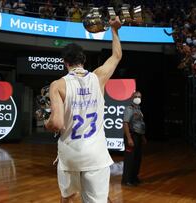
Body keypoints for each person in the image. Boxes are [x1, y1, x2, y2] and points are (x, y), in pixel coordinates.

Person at [44, 16, 122, 203]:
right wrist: (114, 30)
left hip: (70, 154)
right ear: (84, 59)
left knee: (69, 198)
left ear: (65, 62)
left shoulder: (58, 85)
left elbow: (57, 123)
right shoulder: (98, 77)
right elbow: (117, 56)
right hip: (96, 154)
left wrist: (47, 122)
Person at [121, 91, 147, 186]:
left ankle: (134, 177)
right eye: (136, 96)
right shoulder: (129, 109)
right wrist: (129, 138)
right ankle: (127, 179)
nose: (137, 98)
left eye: (139, 97)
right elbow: (125, 123)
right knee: (130, 159)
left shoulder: (138, 109)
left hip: (138, 136)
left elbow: (140, 124)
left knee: (137, 158)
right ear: (132, 97)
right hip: (132, 136)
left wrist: (143, 137)